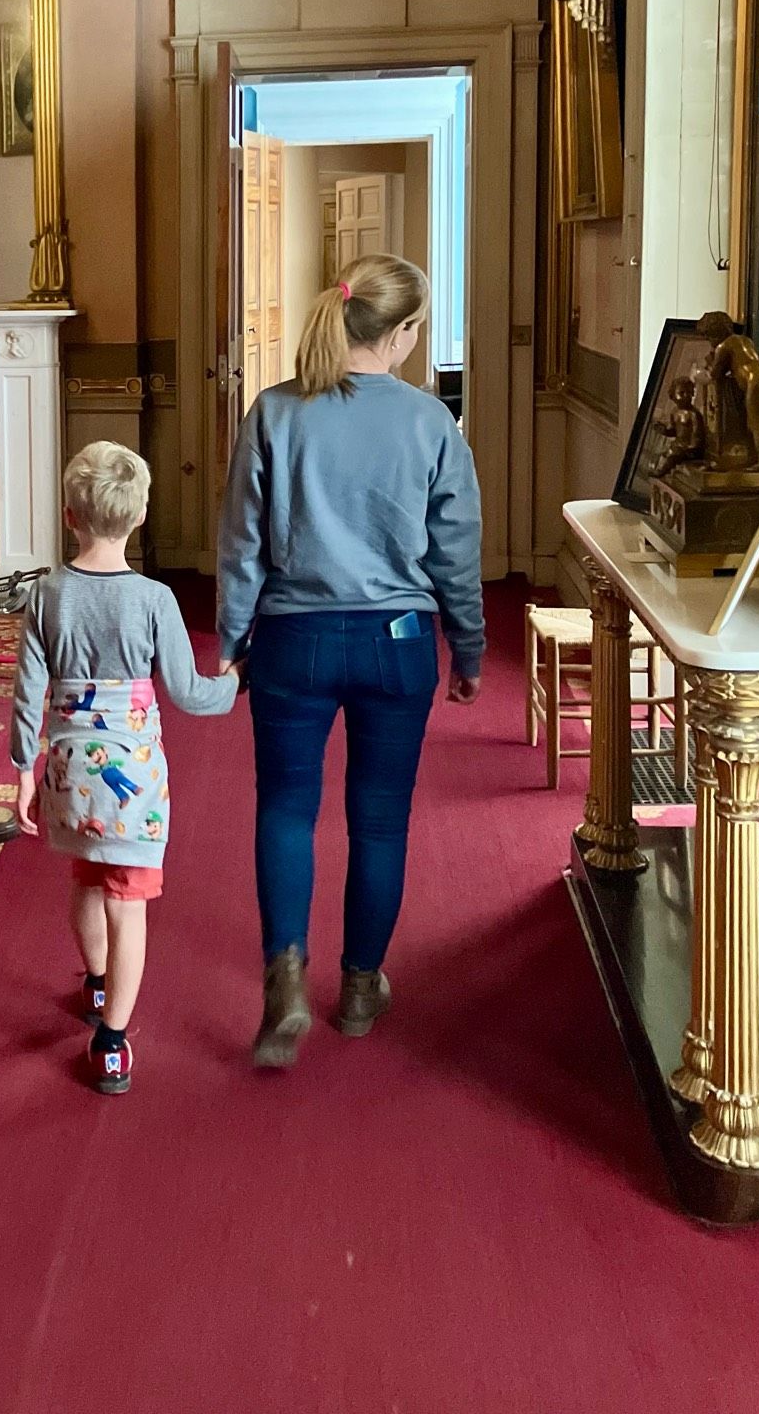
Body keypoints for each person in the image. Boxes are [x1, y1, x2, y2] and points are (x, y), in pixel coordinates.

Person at [217, 253, 484, 1069]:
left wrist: (231, 640)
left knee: (287, 809)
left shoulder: (273, 412)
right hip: (397, 644)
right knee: (378, 818)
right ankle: (362, 987)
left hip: (293, 642)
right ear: (402, 333)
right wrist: (467, 646)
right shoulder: (430, 420)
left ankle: (286, 978)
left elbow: (242, 544)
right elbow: (455, 552)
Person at [12, 441, 237, 1096]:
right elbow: (192, 694)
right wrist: (234, 682)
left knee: (86, 877)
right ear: (138, 517)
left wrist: (22, 770)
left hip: (66, 768)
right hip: (133, 779)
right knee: (128, 902)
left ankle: (97, 982)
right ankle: (111, 1039)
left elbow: (28, 692)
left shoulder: (46, 595)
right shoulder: (155, 599)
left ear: (68, 516)